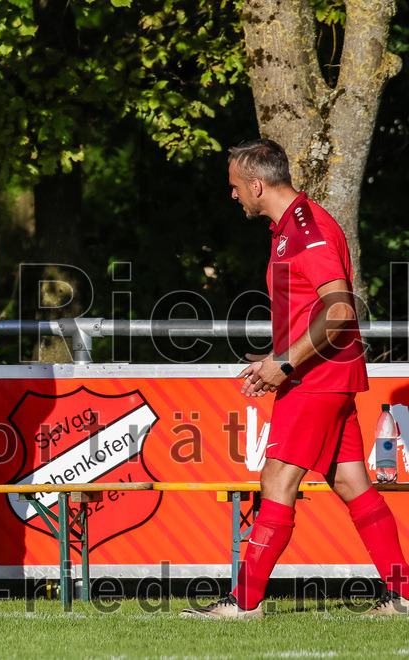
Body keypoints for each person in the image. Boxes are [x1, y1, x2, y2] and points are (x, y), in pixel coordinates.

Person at [181, 139, 409, 619]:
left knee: (276, 481)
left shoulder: (308, 231)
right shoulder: (291, 228)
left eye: (235, 187)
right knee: (352, 483)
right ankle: (403, 594)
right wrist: (277, 356)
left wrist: (284, 366)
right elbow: (313, 311)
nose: (234, 195)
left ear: (257, 185)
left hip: (318, 377)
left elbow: (341, 310)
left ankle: (244, 603)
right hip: (323, 373)